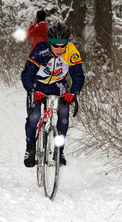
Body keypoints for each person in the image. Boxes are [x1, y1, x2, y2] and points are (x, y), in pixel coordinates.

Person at [21, 22, 85, 167]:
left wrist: (74, 92)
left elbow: (78, 75)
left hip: (58, 85)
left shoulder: (71, 51)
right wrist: (31, 90)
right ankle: (30, 147)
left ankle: (59, 149)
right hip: (38, 84)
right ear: (49, 42)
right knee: (35, 115)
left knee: (63, 112)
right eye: (56, 45)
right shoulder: (40, 50)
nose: (59, 49)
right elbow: (27, 73)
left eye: (63, 45)